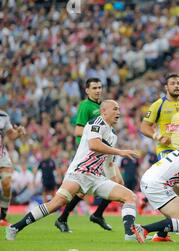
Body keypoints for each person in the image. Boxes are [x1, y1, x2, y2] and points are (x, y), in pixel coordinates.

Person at [6, 100, 140, 241]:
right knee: (55, 204)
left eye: (119, 109)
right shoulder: (97, 123)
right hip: (79, 174)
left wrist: (115, 179)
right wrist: (120, 152)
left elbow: (107, 163)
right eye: (115, 109)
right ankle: (15, 227)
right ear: (104, 111)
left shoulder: (113, 136)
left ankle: (129, 234)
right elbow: (94, 145)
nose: (118, 112)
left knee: (129, 196)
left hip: (96, 179)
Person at [140, 73, 179, 242]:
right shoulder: (158, 105)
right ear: (166, 87)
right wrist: (157, 137)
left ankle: (161, 232)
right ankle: (161, 209)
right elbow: (144, 126)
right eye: (173, 83)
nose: (176, 86)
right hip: (167, 152)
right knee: (177, 189)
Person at [55, 78, 122, 233]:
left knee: (117, 181)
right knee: (84, 189)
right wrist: (96, 136)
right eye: (94, 88)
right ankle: (64, 218)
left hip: (103, 153)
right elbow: (78, 131)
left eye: (100, 87)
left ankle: (95, 214)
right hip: (91, 154)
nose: (98, 90)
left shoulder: (103, 106)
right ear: (87, 90)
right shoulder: (85, 106)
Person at [0, 109, 26, 226]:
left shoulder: (3, 115)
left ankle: (3, 216)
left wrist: (19, 132)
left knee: (7, 184)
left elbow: (11, 134)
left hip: (2, 156)